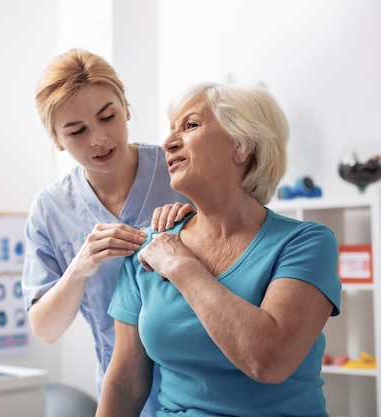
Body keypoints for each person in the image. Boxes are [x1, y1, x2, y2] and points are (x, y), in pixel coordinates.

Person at [97, 82, 342, 417]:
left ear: (241, 146)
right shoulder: (151, 246)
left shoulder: (306, 243)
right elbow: (125, 384)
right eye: (171, 130)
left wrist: (182, 267)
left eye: (191, 125)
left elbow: (268, 361)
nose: (168, 142)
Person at [22, 48, 193, 416]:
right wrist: (78, 269)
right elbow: (46, 330)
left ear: (126, 107)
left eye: (107, 117)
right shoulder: (52, 209)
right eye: (77, 130)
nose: (98, 138)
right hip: (124, 398)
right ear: (55, 138)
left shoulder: (178, 173)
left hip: (203, 389)